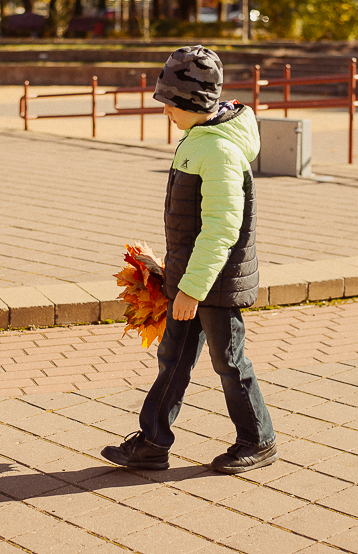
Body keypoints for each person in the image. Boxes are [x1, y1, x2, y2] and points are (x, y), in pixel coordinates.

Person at [101, 45, 277, 475]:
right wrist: (164, 266)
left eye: (171, 105)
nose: (166, 114)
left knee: (229, 362)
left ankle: (258, 439)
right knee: (173, 359)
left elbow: (220, 229)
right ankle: (153, 442)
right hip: (192, 280)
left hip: (214, 286)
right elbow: (193, 223)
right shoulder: (197, 140)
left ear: (195, 104)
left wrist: (193, 289)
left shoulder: (219, 152)